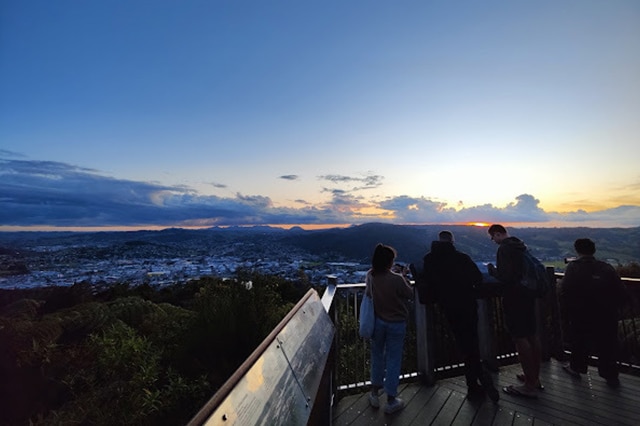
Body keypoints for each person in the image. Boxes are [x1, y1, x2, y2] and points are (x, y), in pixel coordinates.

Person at [420, 230, 499, 402]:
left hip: (447, 307)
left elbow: (427, 283)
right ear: (452, 241)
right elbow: (477, 278)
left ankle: (476, 381)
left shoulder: (429, 259)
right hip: (467, 305)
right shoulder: (462, 258)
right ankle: (477, 380)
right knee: (471, 342)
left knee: (463, 344)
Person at [559, 238, 627, 386]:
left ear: (577, 250)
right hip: (606, 314)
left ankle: (576, 368)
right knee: (607, 345)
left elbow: (565, 290)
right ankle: (611, 376)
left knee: (579, 342)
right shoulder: (606, 267)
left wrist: (566, 312)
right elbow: (620, 290)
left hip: (581, 314)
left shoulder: (573, 267)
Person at [487, 224, 542, 398]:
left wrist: (492, 271)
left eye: (492, 237)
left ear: (497, 234)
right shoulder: (520, 246)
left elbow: (506, 277)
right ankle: (534, 377)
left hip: (515, 297)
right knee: (532, 335)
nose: (492, 240)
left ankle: (529, 386)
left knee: (520, 337)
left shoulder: (504, 249)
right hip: (528, 295)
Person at [366, 243, 415, 414]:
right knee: (393, 359)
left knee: (377, 356)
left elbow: (370, 294)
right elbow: (409, 293)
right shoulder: (396, 279)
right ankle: (391, 399)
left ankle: (374, 393)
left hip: (377, 322)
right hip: (396, 323)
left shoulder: (371, 276)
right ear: (389, 261)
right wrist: (404, 276)